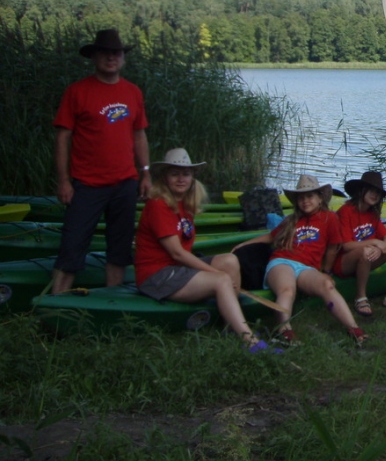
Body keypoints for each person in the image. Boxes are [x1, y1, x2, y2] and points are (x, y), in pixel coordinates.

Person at [135, 149, 277, 353]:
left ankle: (230, 325)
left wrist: (214, 270)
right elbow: (177, 253)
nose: (181, 179)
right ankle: (250, 341)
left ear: (192, 177)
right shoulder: (159, 205)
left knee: (230, 261)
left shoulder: (184, 204)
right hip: (157, 276)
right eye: (174, 174)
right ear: (165, 177)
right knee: (221, 279)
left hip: (177, 268)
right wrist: (213, 273)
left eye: (186, 174)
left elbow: (183, 253)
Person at [51, 29, 151, 294]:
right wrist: (63, 181)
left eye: (116, 53)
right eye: (105, 53)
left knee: (119, 248)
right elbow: (63, 138)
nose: (111, 58)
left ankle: (112, 302)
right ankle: (55, 305)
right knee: (72, 244)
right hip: (87, 184)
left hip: (125, 184)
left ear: (122, 58)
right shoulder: (77, 92)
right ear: (94, 56)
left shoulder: (132, 92)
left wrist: (146, 173)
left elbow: (139, 134)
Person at [235, 175, 368, 346]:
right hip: (282, 262)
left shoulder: (330, 218)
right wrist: (241, 246)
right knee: (287, 289)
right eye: (301, 197)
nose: (305, 201)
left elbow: (333, 247)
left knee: (327, 286)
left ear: (320, 198)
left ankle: (353, 328)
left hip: (307, 268)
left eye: (310, 196)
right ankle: (284, 331)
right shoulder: (291, 220)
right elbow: (269, 237)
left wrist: (326, 271)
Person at [334, 171, 386, 314]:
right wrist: (375, 242)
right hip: (344, 263)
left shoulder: (372, 214)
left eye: (378, 192)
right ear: (361, 190)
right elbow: (346, 246)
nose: (375, 195)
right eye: (371, 190)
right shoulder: (346, 211)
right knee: (367, 251)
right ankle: (360, 297)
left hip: (367, 257)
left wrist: (382, 246)